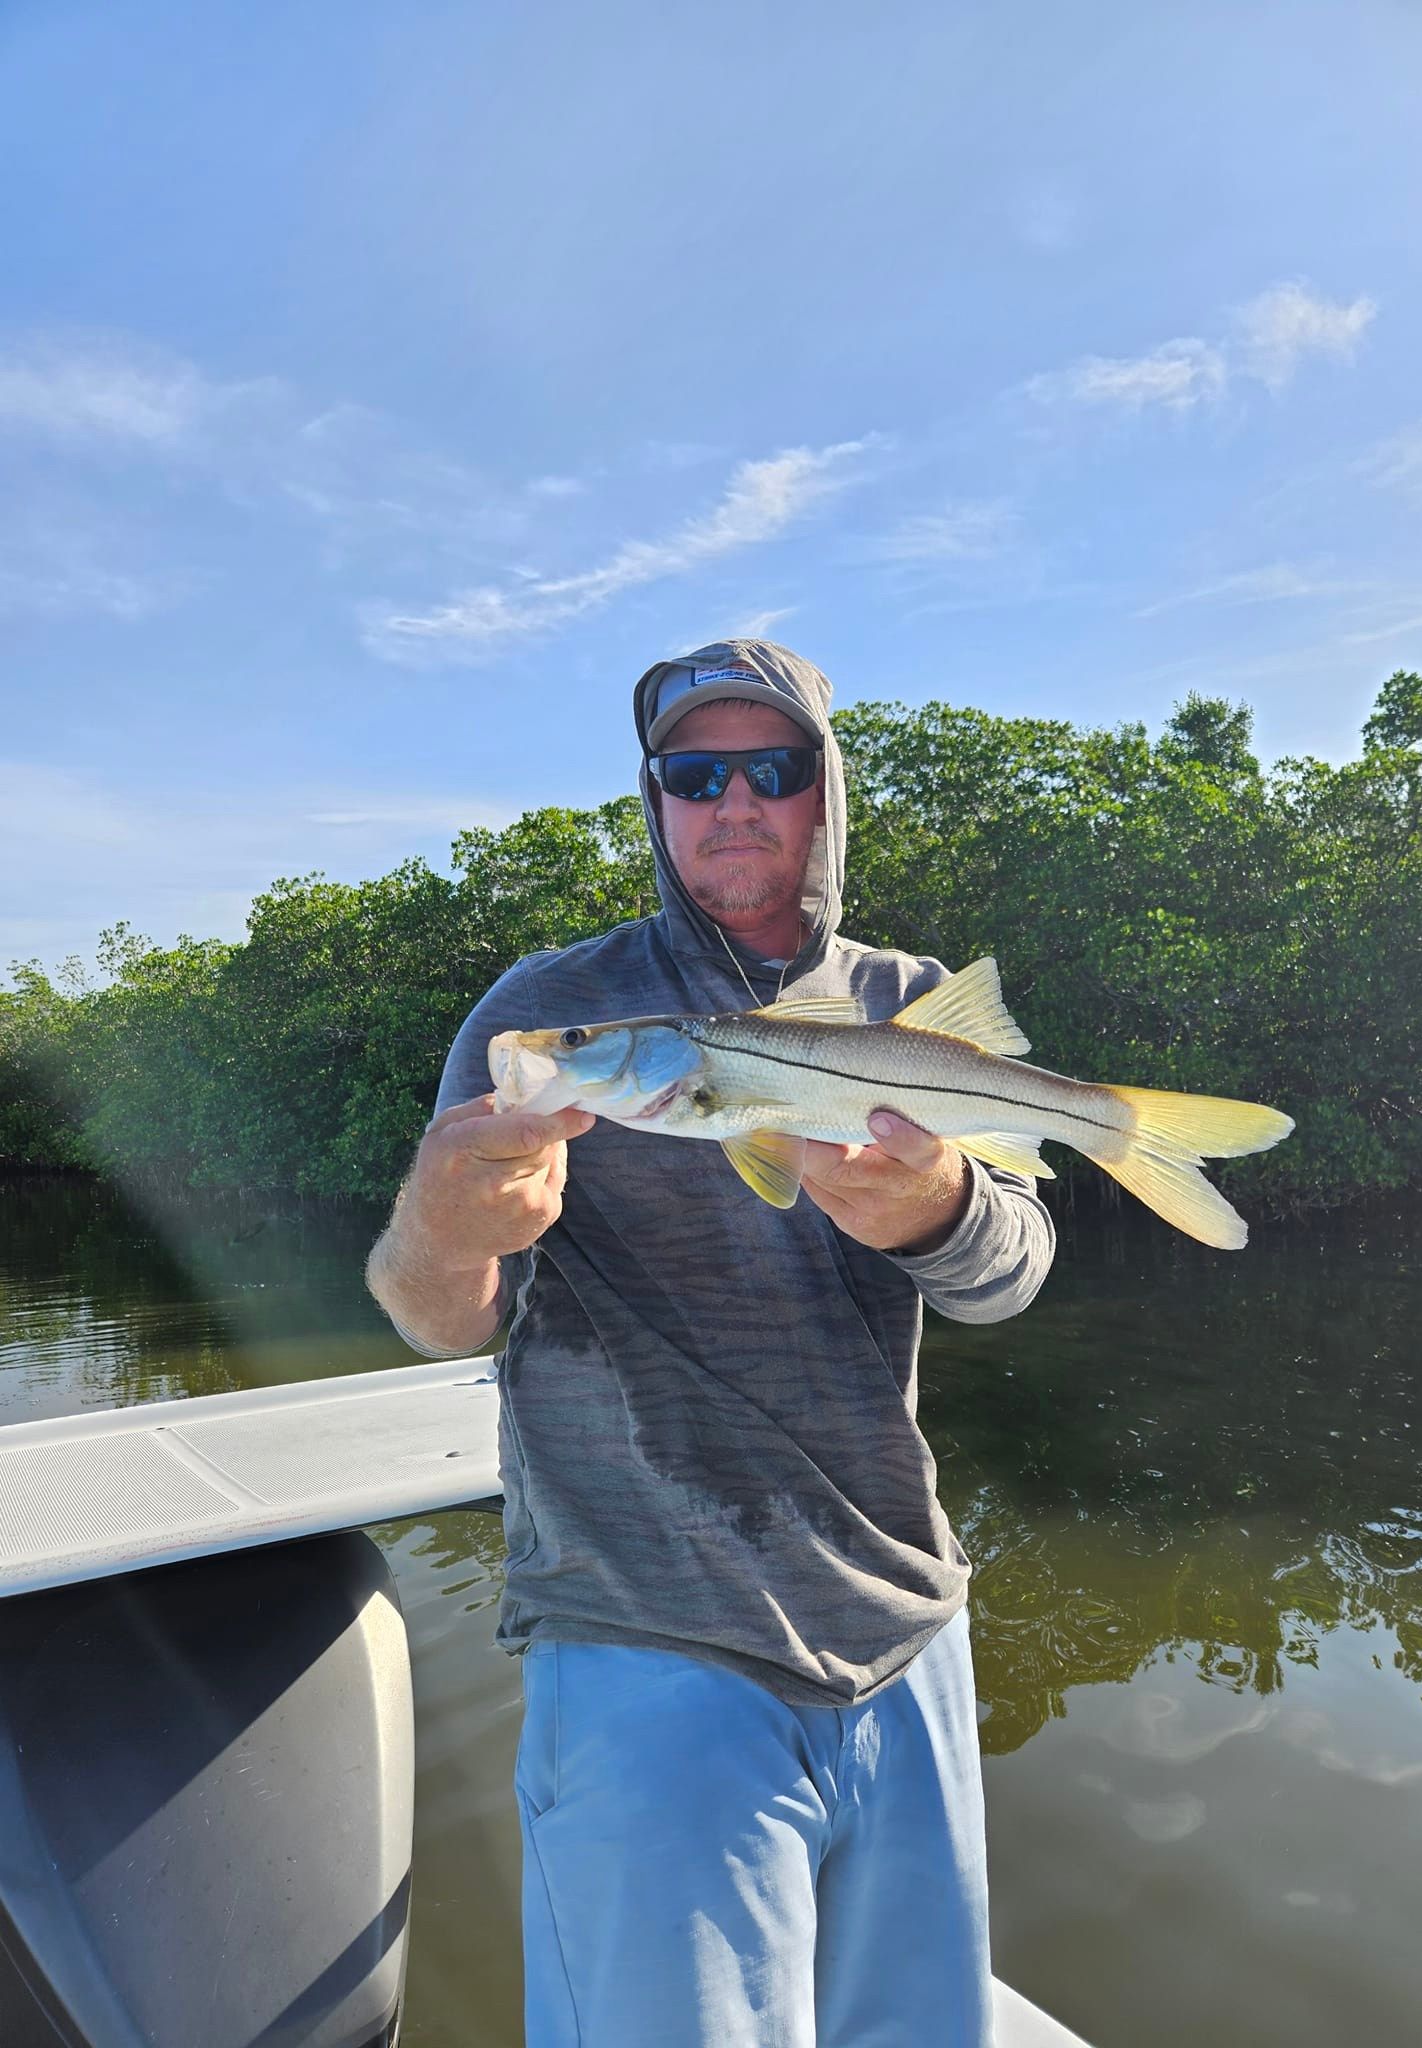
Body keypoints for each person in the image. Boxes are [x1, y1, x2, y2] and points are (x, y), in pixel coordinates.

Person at [366, 640, 1055, 2048]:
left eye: (771, 769)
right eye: (693, 774)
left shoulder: (905, 1003)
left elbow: (1013, 1278)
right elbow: (439, 1316)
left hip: (908, 1632)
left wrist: (940, 1210)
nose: (732, 802)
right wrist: (444, 1226)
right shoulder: (543, 1012)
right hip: (648, 1647)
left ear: (824, 794)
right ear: (656, 802)